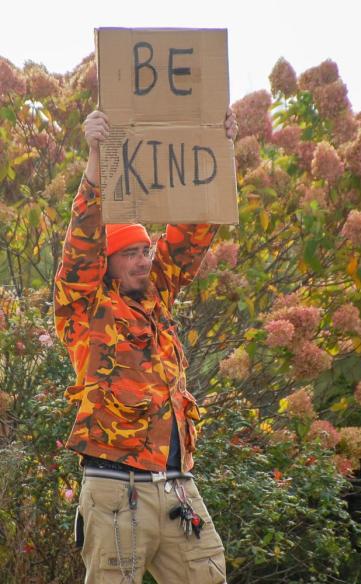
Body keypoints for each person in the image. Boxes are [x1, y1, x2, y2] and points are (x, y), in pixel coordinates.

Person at [53, 107, 238, 583]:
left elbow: (191, 236)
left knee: (211, 577)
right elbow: (81, 245)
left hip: (177, 486)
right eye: (130, 254)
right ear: (107, 262)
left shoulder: (156, 296)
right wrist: (95, 161)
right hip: (117, 489)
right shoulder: (85, 309)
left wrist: (218, 149)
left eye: (144, 251)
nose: (142, 261)